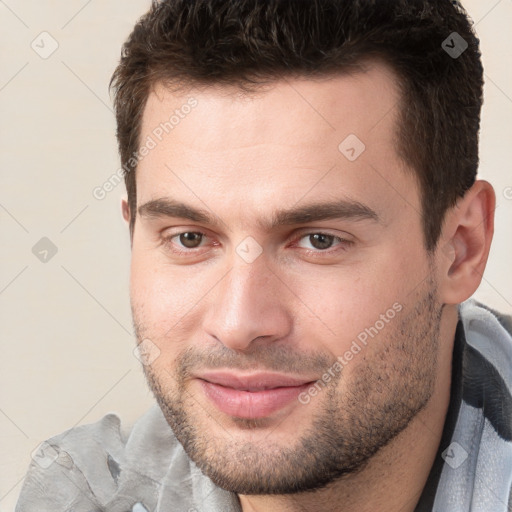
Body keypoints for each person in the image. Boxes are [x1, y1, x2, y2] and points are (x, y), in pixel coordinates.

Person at [16, 1, 512, 511]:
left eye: (319, 240)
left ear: (460, 249)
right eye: (189, 238)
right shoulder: (86, 496)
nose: (238, 324)